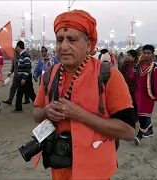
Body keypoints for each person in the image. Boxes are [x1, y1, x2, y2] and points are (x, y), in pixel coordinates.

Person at [33, 9, 135, 180]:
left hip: (96, 170)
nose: (64, 46)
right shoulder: (50, 74)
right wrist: (46, 112)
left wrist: (80, 115)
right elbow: (36, 113)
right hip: (59, 164)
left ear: (89, 45)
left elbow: (128, 131)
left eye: (72, 39)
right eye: (60, 40)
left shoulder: (108, 75)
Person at [130, 45, 157, 145]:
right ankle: (149, 130)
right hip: (138, 95)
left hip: (148, 96)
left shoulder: (155, 68)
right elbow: (132, 77)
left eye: (149, 53)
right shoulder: (139, 66)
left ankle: (140, 135)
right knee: (141, 115)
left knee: (144, 116)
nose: (146, 55)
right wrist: (136, 66)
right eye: (144, 53)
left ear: (153, 55)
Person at [12, 41, 36, 112]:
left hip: (25, 78)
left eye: (16, 47)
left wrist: (24, 78)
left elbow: (28, 67)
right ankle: (18, 108)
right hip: (23, 78)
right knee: (20, 93)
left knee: (30, 93)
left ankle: (38, 105)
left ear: (19, 47)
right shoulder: (21, 55)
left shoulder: (25, 55)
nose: (15, 48)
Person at [120, 49, 138, 122]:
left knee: (133, 103)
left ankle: (134, 119)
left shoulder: (136, 65)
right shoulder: (125, 64)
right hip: (125, 86)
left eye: (129, 55)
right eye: (127, 55)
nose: (127, 57)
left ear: (134, 57)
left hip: (133, 88)